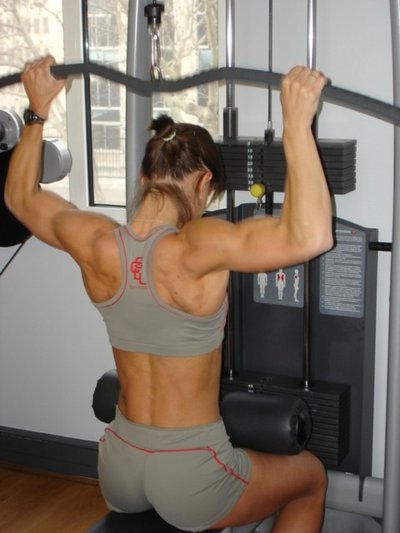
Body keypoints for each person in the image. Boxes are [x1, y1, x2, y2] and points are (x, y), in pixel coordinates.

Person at [5, 55, 332, 533]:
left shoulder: (95, 241)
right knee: (310, 478)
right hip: (189, 474)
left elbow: (19, 197)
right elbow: (312, 236)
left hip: (118, 464)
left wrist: (36, 111)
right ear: (204, 183)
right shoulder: (198, 247)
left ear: (144, 177)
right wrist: (297, 124)